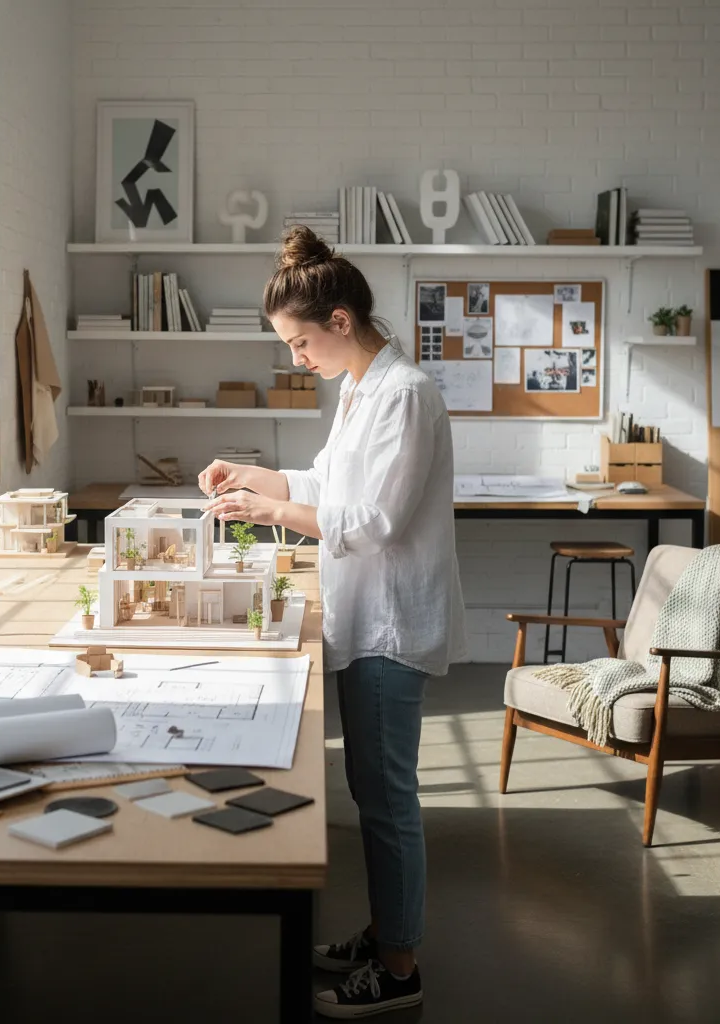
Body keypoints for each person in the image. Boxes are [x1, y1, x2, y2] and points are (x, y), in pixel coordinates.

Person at [200, 226, 466, 1018]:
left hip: (389, 622)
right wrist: (258, 475)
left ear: (341, 321)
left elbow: (374, 516)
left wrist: (272, 509)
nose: (295, 360)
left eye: (299, 342)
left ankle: (400, 965)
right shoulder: (358, 388)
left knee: (386, 799)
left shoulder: (407, 393)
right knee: (369, 789)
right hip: (361, 613)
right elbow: (326, 477)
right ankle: (390, 928)